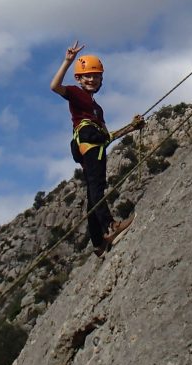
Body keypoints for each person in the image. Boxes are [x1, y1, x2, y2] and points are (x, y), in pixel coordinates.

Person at [51, 41, 144, 256]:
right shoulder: (76, 93)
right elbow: (55, 86)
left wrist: (131, 127)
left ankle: (98, 242)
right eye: (88, 76)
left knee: (93, 190)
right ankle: (110, 225)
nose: (92, 79)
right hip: (88, 141)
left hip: (95, 142)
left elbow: (108, 136)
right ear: (79, 78)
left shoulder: (97, 109)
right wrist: (67, 61)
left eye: (96, 76)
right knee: (96, 187)